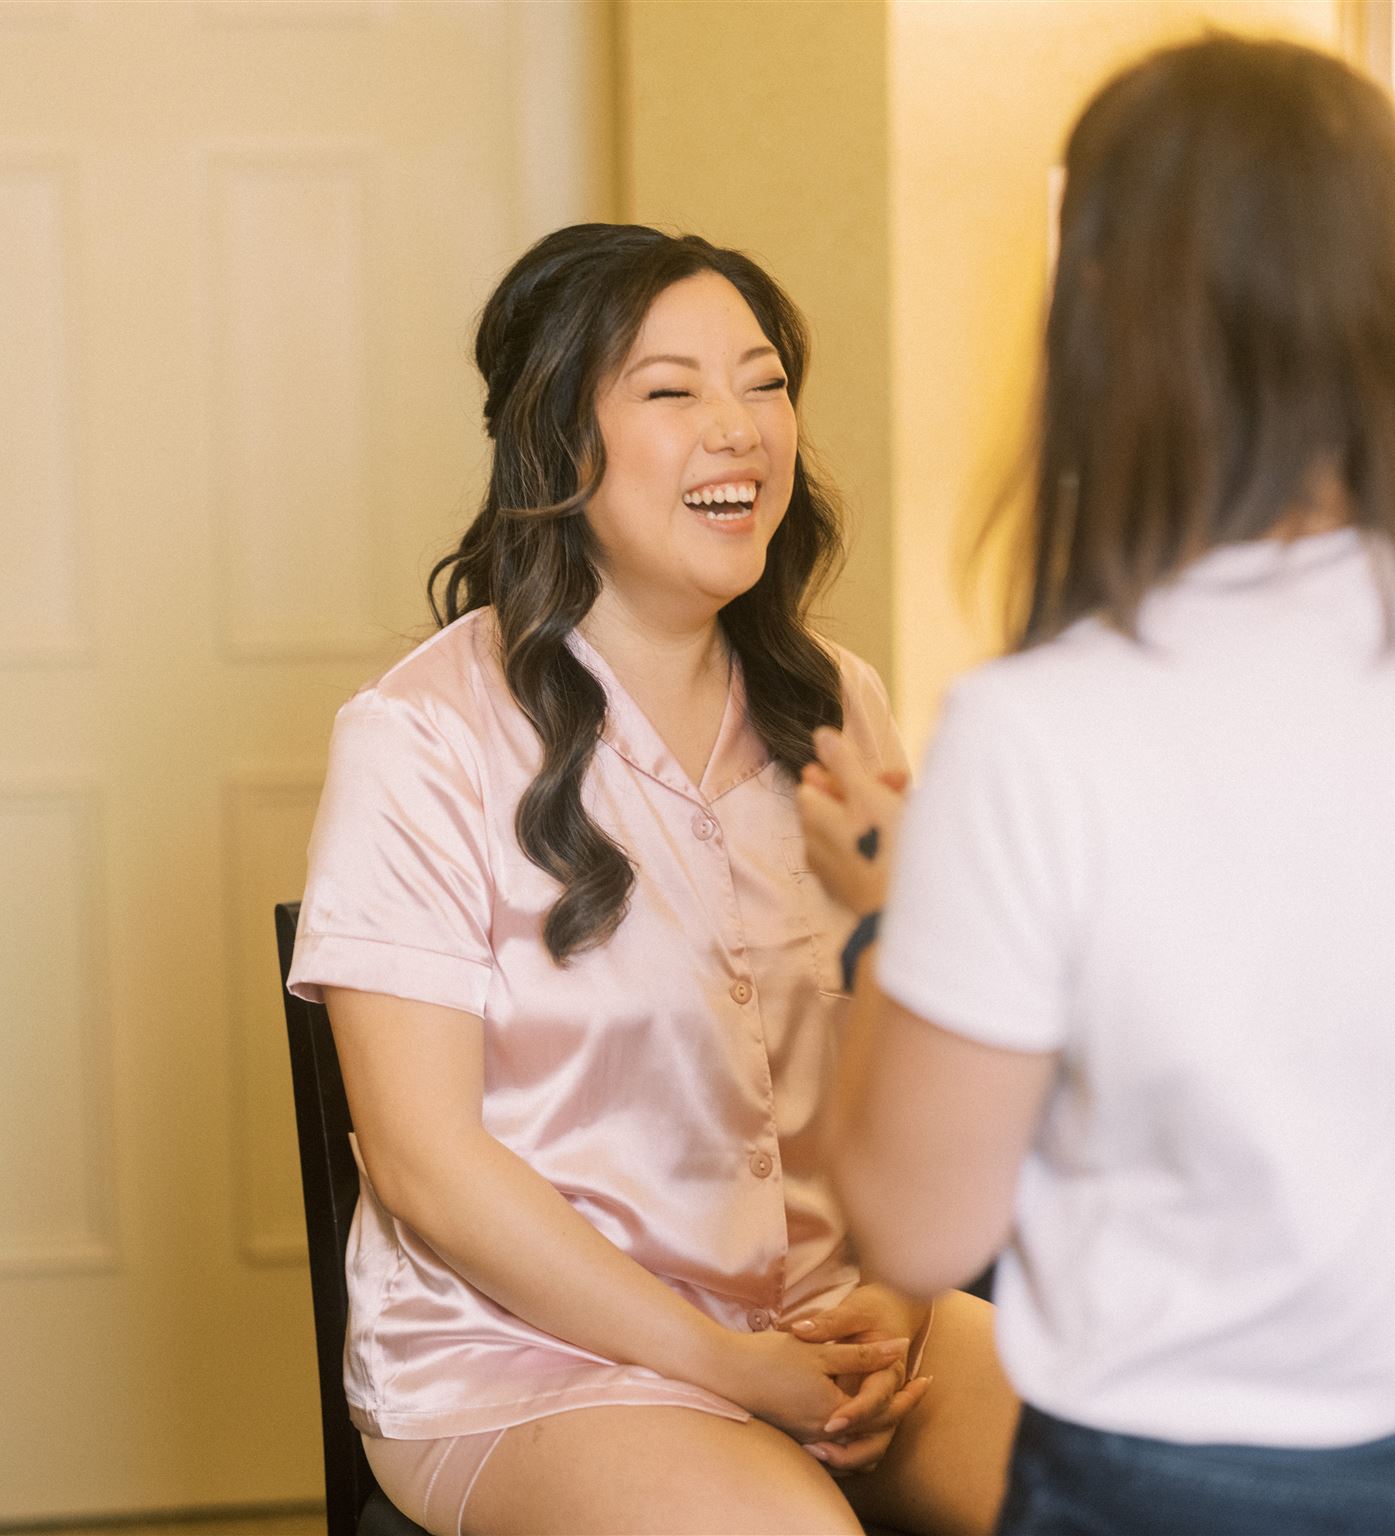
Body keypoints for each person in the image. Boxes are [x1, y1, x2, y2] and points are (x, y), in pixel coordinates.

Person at [800, 36, 1395, 1536]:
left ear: (1102, 317)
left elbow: (919, 1224)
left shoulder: (1040, 732)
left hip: (1198, 1483)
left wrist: (891, 913)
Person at [288, 223, 1018, 1536]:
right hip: (536, 1367)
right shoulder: (421, 737)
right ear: (563, 442)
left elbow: (899, 1055)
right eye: (673, 391)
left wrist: (897, 1302)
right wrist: (735, 1367)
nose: (738, 427)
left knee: (1160, 1467)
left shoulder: (840, 705)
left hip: (834, 1319)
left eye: (765, 382)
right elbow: (424, 1165)